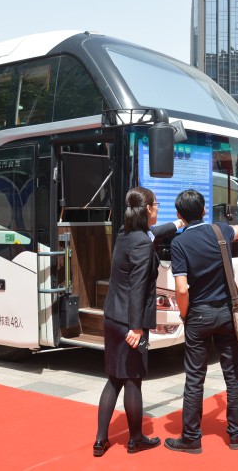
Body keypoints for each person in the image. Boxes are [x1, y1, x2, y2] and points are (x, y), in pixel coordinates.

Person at [165, 189, 238, 453]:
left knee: (194, 378)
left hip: (198, 314)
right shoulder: (220, 231)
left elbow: (181, 289)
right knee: (233, 375)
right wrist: (229, 228)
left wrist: (184, 314)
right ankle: (236, 434)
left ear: (179, 215)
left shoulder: (179, 243)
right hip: (226, 312)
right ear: (204, 210)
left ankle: (191, 438)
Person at [94, 187, 165, 457]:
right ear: (148, 209)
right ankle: (135, 440)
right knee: (133, 380)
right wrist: (136, 328)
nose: (158, 209)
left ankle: (100, 440)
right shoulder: (143, 243)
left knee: (114, 378)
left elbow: (156, 231)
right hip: (130, 323)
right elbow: (137, 288)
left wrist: (179, 224)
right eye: (157, 205)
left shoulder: (125, 234)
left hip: (112, 316)